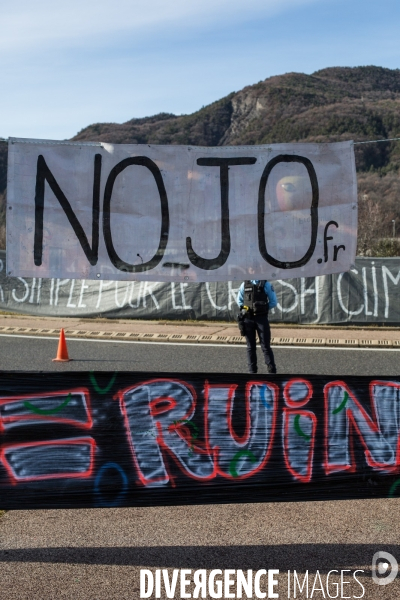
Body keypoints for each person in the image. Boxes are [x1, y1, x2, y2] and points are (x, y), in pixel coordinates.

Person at [236, 278, 277, 374]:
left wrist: (263, 309)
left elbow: (273, 302)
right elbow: (240, 301)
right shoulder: (244, 284)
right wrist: (246, 310)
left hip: (261, 319)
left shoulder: (266, 284)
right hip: (248, 319)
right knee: (250, 347)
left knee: (266, 346)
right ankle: (252, 373)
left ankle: (272, 372)